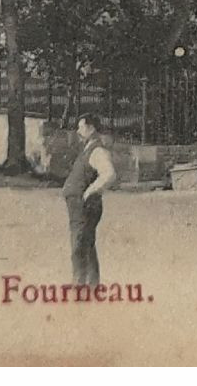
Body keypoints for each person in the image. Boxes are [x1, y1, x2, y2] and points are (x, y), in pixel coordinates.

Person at [61, 113, 117, 286]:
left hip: (84, 206)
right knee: (86, 245)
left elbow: (109, 174)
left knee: (79, 246)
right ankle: (90, 286)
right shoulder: (89, 147)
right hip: (79, 206)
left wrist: (90, 191)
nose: (78, 131)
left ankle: (80, 286)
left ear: (91, 128)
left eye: (81, 127)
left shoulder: (97, 150)